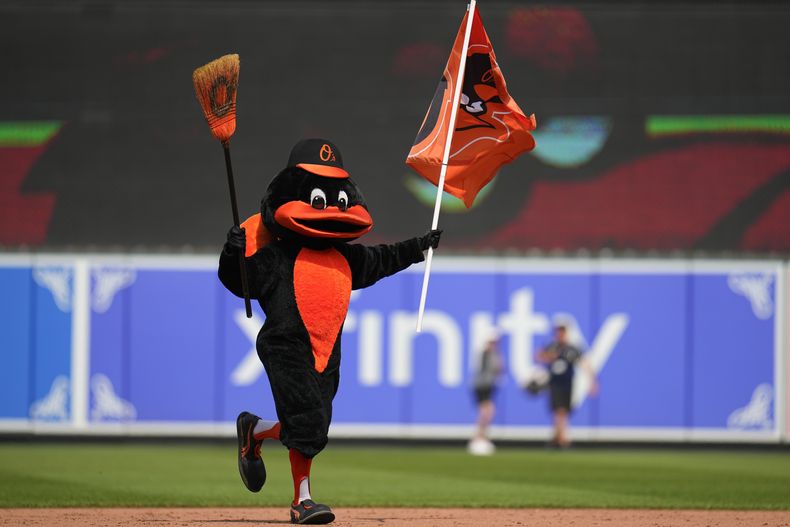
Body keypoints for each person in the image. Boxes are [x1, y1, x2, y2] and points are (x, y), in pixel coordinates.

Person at [219, 138, 442, 524]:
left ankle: (255, 431)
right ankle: (301, 500)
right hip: (285, 344)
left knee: (312, 423)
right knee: (307, 421)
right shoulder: (277, 257)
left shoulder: (347, 258)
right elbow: (241, 281)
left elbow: (384, 259)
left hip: (327, 350)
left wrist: (420, 246)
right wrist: (233, 253)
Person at [536, 322, 598, 448]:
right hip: (554, 383)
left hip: (566, 383)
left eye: (562, 332)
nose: (560, 335)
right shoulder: (552, 347)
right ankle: (561, 438)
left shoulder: (571, 348)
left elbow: (584, 363)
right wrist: (549, 357)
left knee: (563, 410)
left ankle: (558, 438)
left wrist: (592, 381)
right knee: (558, 410)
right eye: (558, 332)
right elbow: (538, 356)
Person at [468, 332, 503, 455]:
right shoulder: (486, 353)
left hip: (488, 386)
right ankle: (479, 437)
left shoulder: (494, 354)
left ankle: (481, 436)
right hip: (483, 386)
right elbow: (492, 369)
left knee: (488, 412)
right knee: (486, 411)